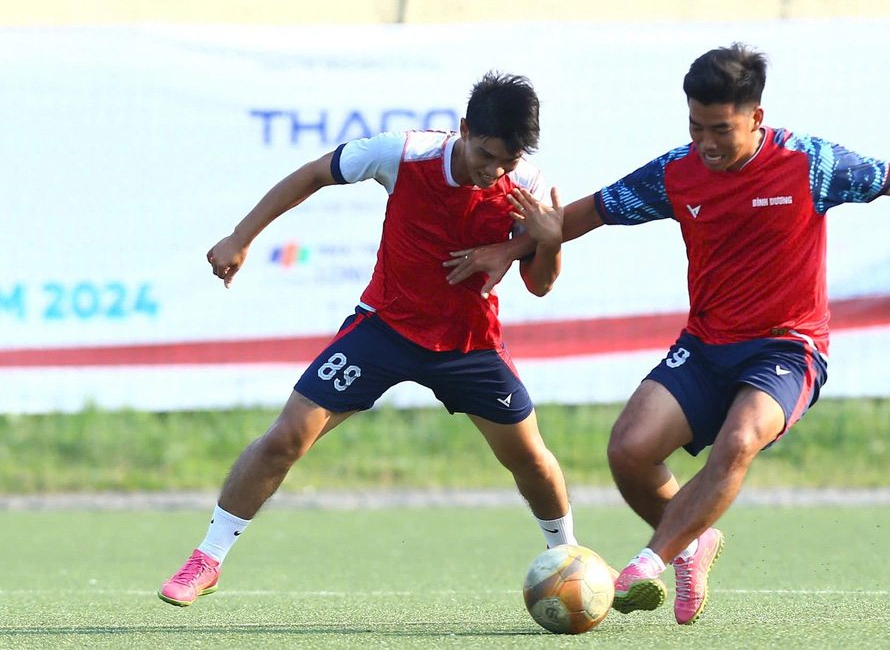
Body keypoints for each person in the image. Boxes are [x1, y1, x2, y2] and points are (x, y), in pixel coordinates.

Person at [444, 44, 890, 626]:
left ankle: (647, 564)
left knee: (738, 440)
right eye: (695, 127)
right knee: (628, 451)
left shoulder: (808, 163)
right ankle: (695, 543)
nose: (705, 143)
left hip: (788, 347)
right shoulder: (677, 173)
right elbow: (592, 211)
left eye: (720, 129)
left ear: (755, 117)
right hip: (707, 345)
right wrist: (512, 247)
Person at [158, 72, 577, 607]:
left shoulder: (529, 189)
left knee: (531, 459)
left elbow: (540, 286)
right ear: (465, 129)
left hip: (468, 344)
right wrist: (240, 238)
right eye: (486, 155)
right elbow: (313, 174)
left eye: (507, 161)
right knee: (287, 436)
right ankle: (208, 558)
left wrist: (546, 242)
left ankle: (568, 559)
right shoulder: (401, 153)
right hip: (384, 327)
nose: (493, 171)